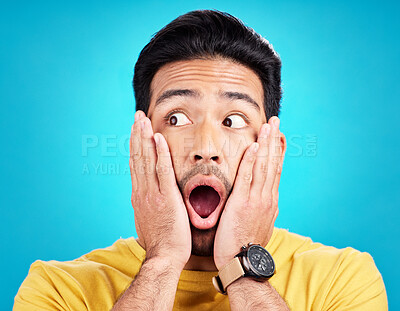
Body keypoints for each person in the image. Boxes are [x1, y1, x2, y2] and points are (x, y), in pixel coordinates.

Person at [14, 9, 387, 310]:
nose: (206, 147)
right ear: (139, 145)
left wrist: (243, 265)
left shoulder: (343, 279)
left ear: (272, 150)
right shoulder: (59, 290)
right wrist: (161, 262)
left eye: (233, 120)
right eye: (176, 118)